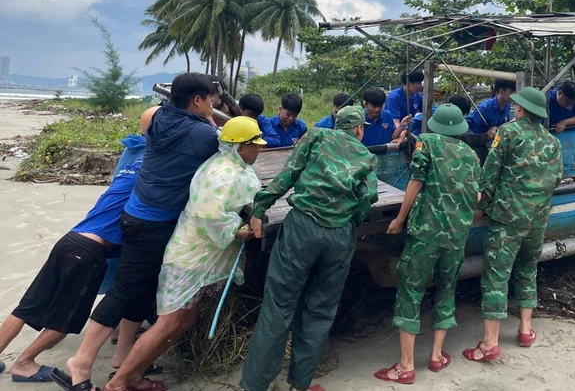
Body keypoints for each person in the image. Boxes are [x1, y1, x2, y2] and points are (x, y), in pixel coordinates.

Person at [54, 72, 220, 391]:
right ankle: (82, 359)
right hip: (154, 223)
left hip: (134, 213)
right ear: (198, 100)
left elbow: (153, 121)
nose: (213, 104)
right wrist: (212, 118)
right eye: (210, 99)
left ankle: (122, 357)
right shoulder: (205, 135)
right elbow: (223, 151)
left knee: (140, 288)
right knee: (126, 289)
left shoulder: (156, 116)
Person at [104, 117, 266, 391]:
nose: (259, 150)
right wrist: (237, 232)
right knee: (169, 323)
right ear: (239, 147)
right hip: (190, 258)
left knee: (184, 320)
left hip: (203, 257)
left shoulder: (233, 167)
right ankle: (119, 382)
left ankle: (135, 374)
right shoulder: (221, 173)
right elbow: (207, 214)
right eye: (255, 146)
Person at [0, 120, 154, 382]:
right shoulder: (154, 178)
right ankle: (24, 363)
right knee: (68, 318)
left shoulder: (129, 167)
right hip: (89, 252)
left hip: (70, 239)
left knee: (27, 306)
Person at [240, 106, 379, 391]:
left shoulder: (317, 135)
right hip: (339, 236)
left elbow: (288, 174)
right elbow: (369, 197)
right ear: (359, 129)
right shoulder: (367, 156)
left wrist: (261, 206)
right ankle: (299, 384)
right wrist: (349, 219)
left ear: (337, 123)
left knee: (279, 306)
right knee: (320, 311)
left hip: (302, 228)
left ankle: (255, 384)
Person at [375, 105, 481, 385]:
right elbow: (477, 195)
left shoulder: (428, 142)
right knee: (447, 290)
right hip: (456, 237)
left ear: (435, 125)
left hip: (425, 235)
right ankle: (436, 356)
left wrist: (400, 219)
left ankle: (406, 366)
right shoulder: (471, 155)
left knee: (410, 292)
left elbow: (416, 181)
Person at [463, 87, 562, 363]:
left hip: (507, 219)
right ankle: (526, 330)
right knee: (528, 269)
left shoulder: (508, 132)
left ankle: (490, 343)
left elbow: (490, 174)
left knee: (496, 276)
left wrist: (480, 209)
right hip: (537, 219)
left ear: (520, 109)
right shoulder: (552, 141)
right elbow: (556, 180)